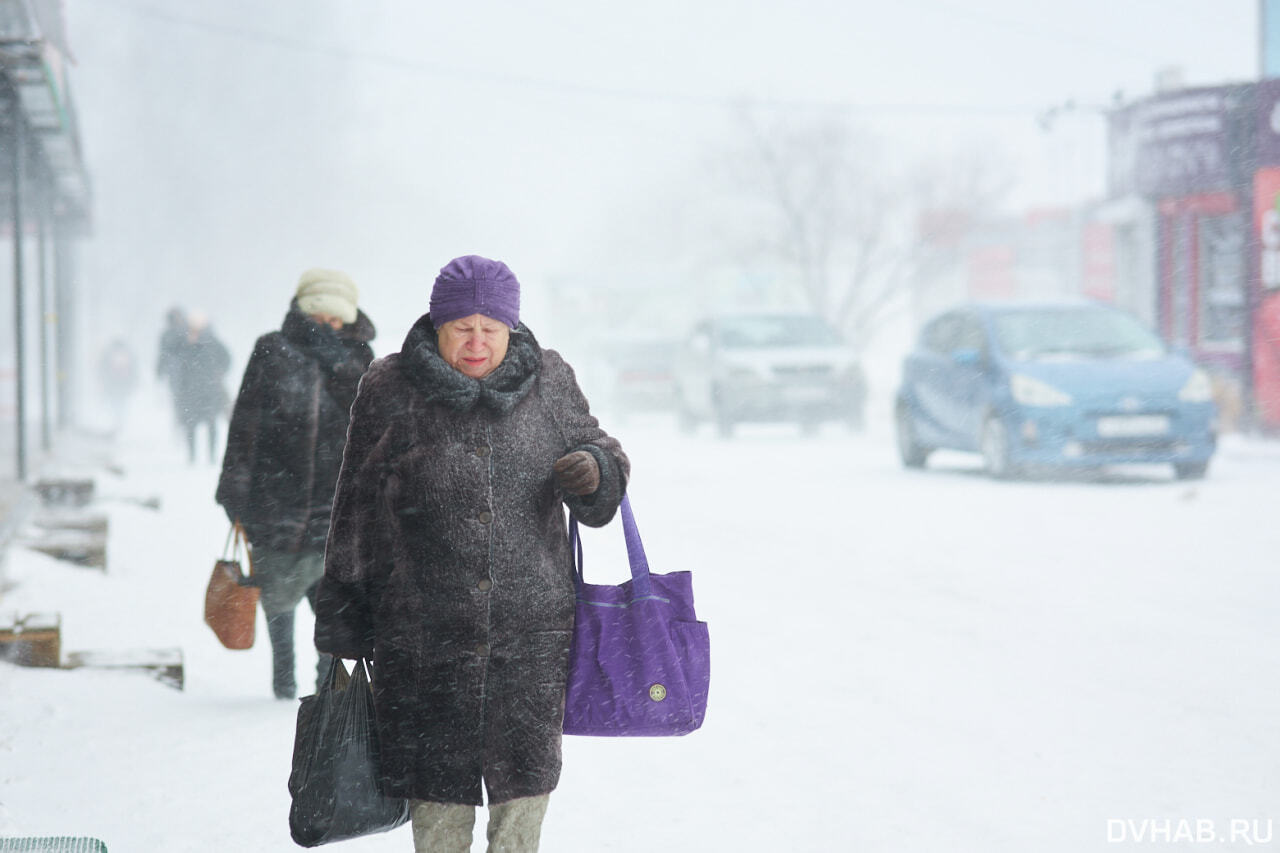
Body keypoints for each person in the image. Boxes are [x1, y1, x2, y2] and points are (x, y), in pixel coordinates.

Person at [314, 255, 628, 853]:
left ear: (512, 328)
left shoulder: (550, 379)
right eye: (462, 327)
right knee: (439, 822)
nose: (478, 341)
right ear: (438, 327)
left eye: (492, 327)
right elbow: (354, 504)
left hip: (528, 642)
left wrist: (595, 472)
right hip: (425, 645)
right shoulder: (389, 386)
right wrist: (344, 610)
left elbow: (600, 452)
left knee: (520, 824)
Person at [216, 270, 376, 699]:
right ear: (304, 310)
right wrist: (235, 492)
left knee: (333, 608)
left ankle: (325, 689)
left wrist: (339, 364)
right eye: (319, 315)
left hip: (337, 507)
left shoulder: (360, 357)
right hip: (275, 502)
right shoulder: (272, 349)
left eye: (336, 318)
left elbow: (370, 422)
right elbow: (245, 424)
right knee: (278, 600)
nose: (327, 325)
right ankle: (282, 684)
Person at [171, 311, 231, 464]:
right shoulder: (183, 342)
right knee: (191, 425)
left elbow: (227, 359)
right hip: (190, 391)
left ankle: (211, 456)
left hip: (209, 390)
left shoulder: (213, 342)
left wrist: (219, 373)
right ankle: (192, 456)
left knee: (211, 424)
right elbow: (176, 361)